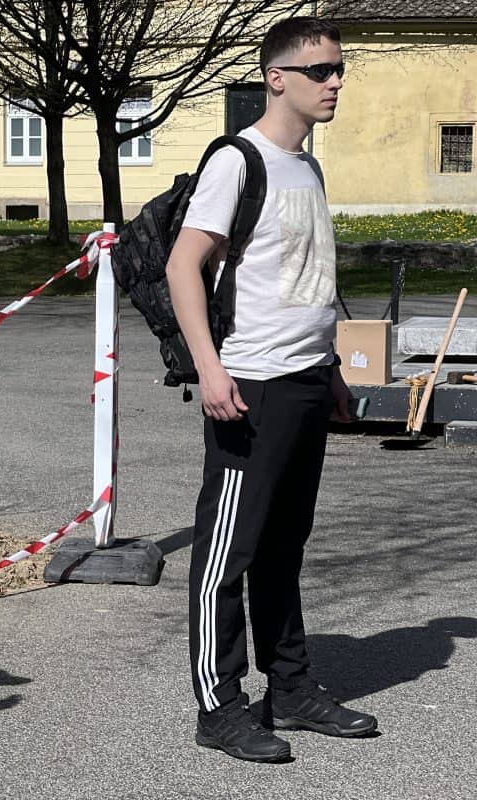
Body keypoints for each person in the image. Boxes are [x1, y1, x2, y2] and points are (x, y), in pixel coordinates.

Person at [166, 17, 378, 763]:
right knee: (228, 553)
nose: (335, 82)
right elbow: (183, 266)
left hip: (304, 383)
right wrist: (210, 368)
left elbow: (307, 281)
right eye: (321, 71)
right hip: (248, 384)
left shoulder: (308, 168)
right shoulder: (238, 160)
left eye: (340, 70)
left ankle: (289, 688)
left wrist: (331, 372)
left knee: (285, 547)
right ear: (277, 78)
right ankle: (219, 706)